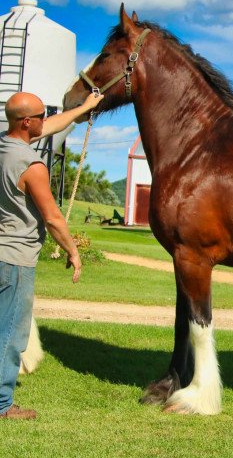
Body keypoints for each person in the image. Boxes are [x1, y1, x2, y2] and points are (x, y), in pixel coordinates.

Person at [0, 91, 103, 419]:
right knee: (12, 333)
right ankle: (2, 405)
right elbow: (53, 217)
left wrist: (84, 107)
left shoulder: (5, 144)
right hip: (15, 258)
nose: (46, 121)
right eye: (42, 116)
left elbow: (49, 127)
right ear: (27, 122)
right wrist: (73, 251)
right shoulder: (31, 165)